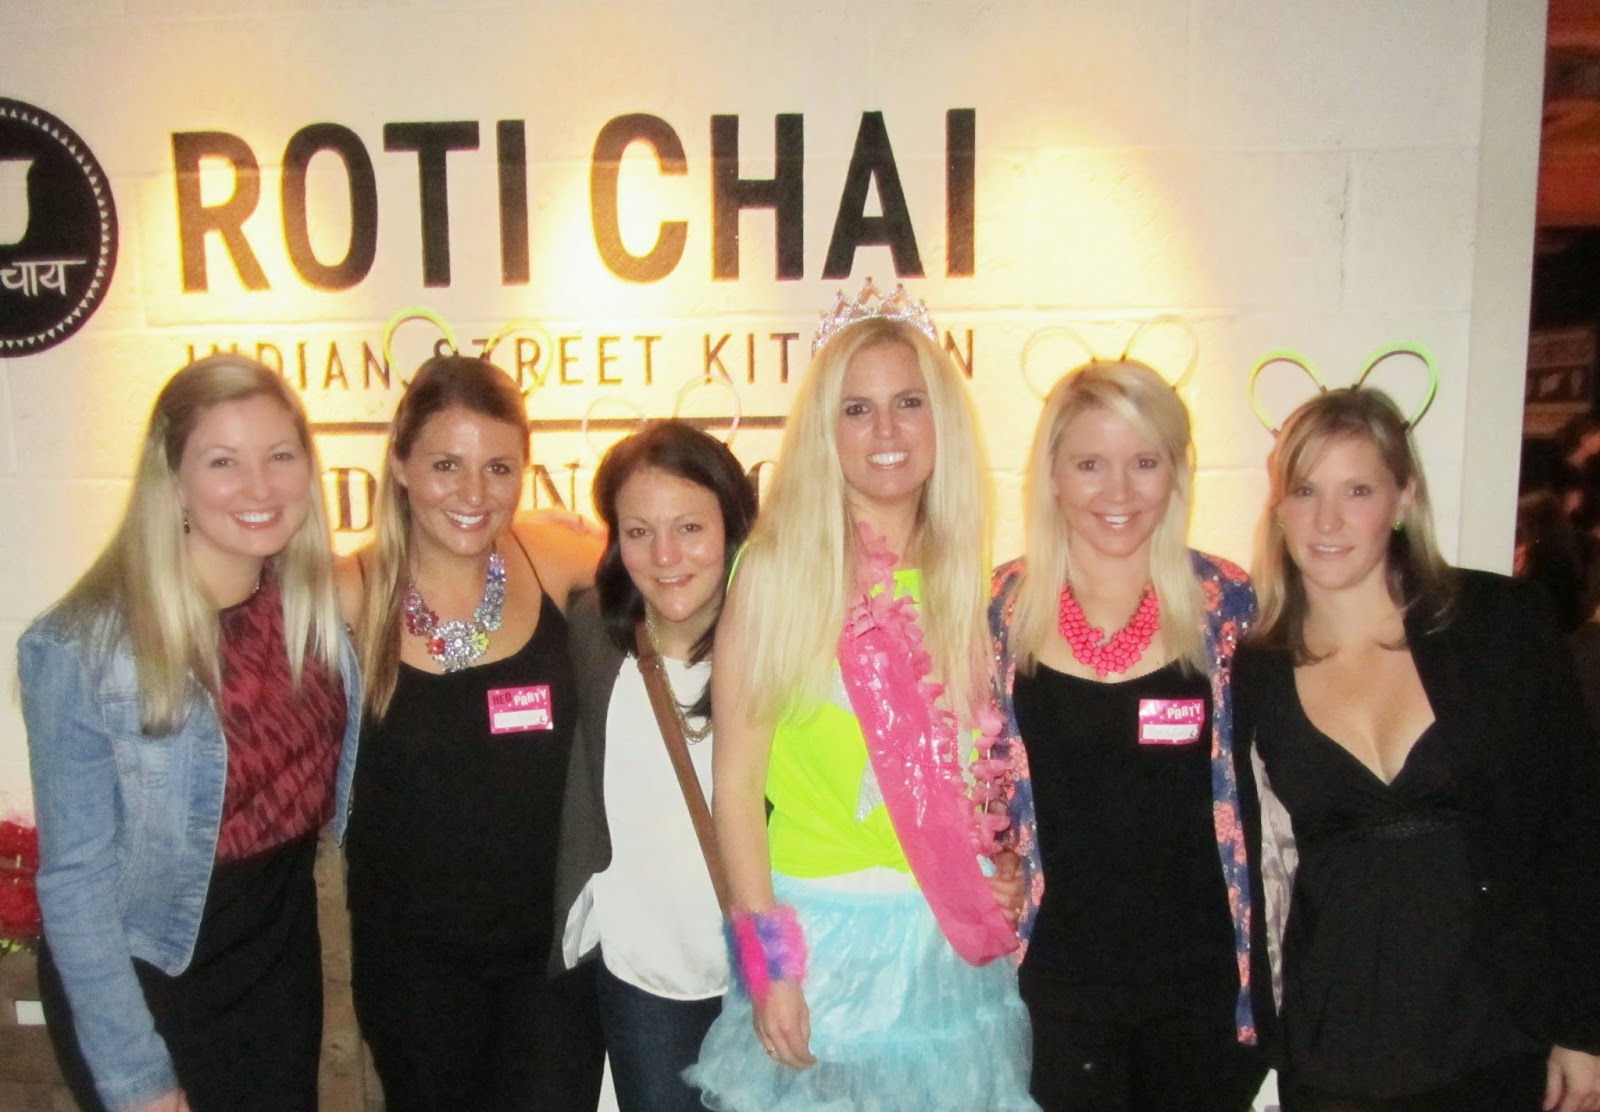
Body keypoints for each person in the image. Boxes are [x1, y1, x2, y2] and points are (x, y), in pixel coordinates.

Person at [685, 286, 1035, 1111]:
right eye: (857, 409)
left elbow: (971, 763)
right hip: (823, 942)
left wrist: (1000, 867)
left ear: (941, 418)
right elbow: (736, 785)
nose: (886, 432)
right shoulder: (778, 571)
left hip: (942, 948)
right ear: (824, 430)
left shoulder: (966, 576)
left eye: (909, 403)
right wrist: (769, 968)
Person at [1234, 386, 1600, 1112]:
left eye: (1358, 490)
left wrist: (1584, 1026)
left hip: (1498, 1031)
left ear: (1403, 498)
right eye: (1305, 490)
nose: (1327, 520)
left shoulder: (1499, 625)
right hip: (1334, 1045)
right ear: (1279, 506)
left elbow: (1577, 826)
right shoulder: (1253, 668)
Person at [18, 354, 361, 1112]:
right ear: (172, 480)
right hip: (149, 985)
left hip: (275, 967)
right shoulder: (82, 648)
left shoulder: (312, 611)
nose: (260, 487)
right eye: (223, 462)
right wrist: (136, 1075)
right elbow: (75, 885)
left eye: (280, 455)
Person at [988, 360, 1272, 1111]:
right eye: (1090, 464)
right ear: (1052, 476)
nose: (1118, 493)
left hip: (1201, 991)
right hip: (1052, 989)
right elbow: (966, 786)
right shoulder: (999, 610)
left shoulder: (1229, 604)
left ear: (1176, 473)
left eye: (1144, 462)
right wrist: (993, 860)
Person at [337, 354, 605, 1112]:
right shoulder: (349, 592)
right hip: (414, 975)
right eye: (446, 465)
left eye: (499, 468)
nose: (474, 494)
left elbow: (681, 563)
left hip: (551, 963)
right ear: (400, 464)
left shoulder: (550, 559)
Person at [553, 420, 758, 1112]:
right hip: (647, 979)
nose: (665, 556)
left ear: (732, 526)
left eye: (689, 528)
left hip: (772, 973)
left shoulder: (777, 646)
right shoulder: (593, 637)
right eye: (639, 531)